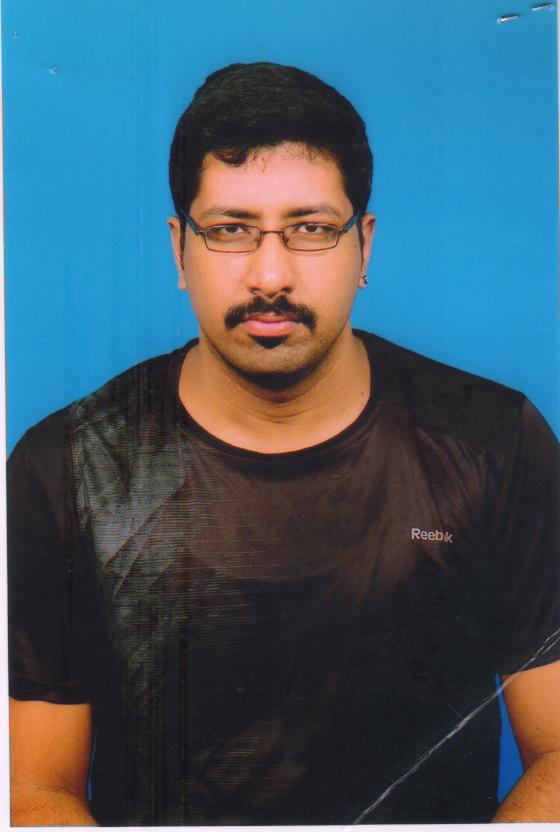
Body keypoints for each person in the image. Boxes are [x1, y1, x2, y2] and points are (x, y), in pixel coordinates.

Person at [8, 62, 560, 826]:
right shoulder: (64, 469)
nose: (271, 275)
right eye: (231, 229)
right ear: (179, 250)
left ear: (364, 247)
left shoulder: (494, 443)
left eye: (311, 229)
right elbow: (36, 792)